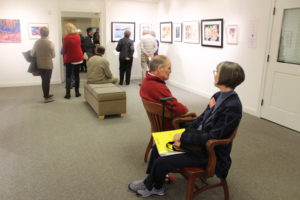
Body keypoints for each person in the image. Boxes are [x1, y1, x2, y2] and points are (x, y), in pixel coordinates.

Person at [129, 61, 245, 197]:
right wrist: (183, 134)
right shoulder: (218, 96)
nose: (215, 75)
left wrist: (183, 139)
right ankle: (152, 181)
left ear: (225, 77)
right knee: (158, 146)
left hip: (209, 152)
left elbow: (213, 137)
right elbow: (201, 119)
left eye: (217, 72)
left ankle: (153, 186)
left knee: (163, 160)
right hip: (198, 142)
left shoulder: (232, 106)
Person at [140, 55, 188, 131]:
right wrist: (185, 109)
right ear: (160, 69)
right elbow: (179, 109)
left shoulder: (145, 82)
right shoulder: (157, 87)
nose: (170, 71)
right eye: (169, 68)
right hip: (170, 127)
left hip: (159, 125)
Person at [31, 26, 55, 103]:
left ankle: (46, 94)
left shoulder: (37, 42)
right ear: (48, 33)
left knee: (44, 80)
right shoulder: (50, 43)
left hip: (40, 64)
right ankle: (46, 98)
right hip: (48, 65)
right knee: (47, 81)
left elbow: (32, 54)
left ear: (40, 33)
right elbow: (53, 55)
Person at [62, 23, 84, 99]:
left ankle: (68, 94)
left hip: (70, 58)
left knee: (68, 76)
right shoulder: (78, 37)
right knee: (77, 75)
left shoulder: (66, 38)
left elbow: (64, 50)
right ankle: (77, 92)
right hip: (78, 58)